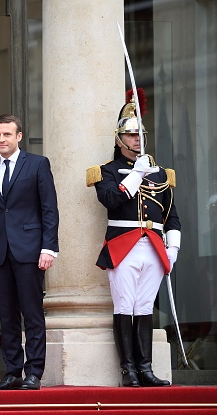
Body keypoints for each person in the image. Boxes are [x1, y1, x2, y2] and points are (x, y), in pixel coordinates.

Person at [86, 88, 181, 387]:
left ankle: (146, 368)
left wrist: (174, 246)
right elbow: (111, 200)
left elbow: (171, 215)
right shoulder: (106, 171)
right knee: (124, 305)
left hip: (154, 245)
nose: (137, 139)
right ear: (119, 138)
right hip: (123, 244)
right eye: (131, 135)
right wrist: (136, 175)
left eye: (140, 134)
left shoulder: (161, 174)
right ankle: (128, 370)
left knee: (145, 307)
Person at [0, 113, 59, 391]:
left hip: (30, 250)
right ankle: (12, 371)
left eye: (7, 134)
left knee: (32, 312)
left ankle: (34, 372)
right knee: (6, 314)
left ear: (18, 136)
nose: (1, 139)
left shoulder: (38, 165)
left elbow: (49, 209)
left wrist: (49, 247)